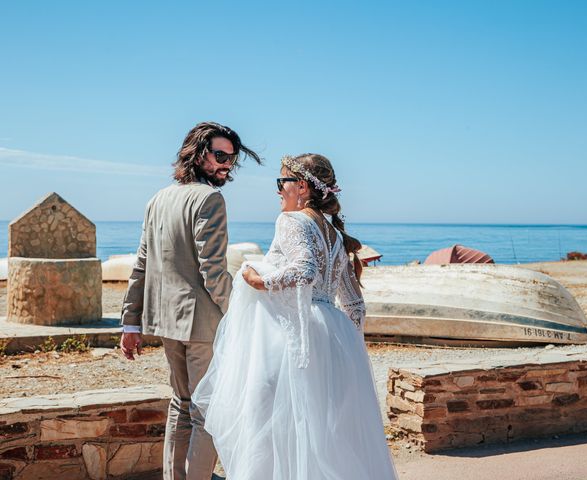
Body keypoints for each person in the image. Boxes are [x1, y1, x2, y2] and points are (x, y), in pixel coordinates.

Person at [192, 153, 398, 479]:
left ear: (301, 186)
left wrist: (261, 282)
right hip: (331, 339)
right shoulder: (334, 235)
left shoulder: (291, 221)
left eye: (281, 182)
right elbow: (355, 305)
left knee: (275, 427)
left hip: (293, 339)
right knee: (322, 436)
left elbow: (304, 269)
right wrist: (347, 351)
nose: (278, 190)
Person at [120, 121, 261, 480]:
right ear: (197, 154)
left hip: (166, 322)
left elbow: (141, 265)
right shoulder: (210, 199)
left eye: (231, 159)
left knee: (179, 405)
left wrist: (130, 321)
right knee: (207, 411)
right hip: (203, 326)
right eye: (219, 156)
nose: (226, 165)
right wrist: (238, 316)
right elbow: (213, 271)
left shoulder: (157, 199)